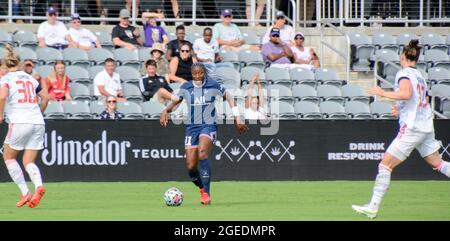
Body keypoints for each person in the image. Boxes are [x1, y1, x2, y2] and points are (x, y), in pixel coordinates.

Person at [352, 40, 450, 219]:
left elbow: (406, 94)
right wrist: (400, 108)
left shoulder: (403, 73)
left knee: (384, 165)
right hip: (426, 126)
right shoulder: (420, 75)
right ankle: (372, 206)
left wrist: (383, 93)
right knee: (439, 164)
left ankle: (373, 207)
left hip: (412, 128)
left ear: (403, 57)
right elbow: (423, 100)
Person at [160, 63, 248, 206]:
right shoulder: (186, 87)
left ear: (204, 73)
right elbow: (176, 101)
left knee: (202, 153)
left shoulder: (213, 85)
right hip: (191, 128)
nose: (197, 76)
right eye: (195, 74)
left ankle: (206, 193)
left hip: (208, 125)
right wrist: (166, 111)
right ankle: (201, 189)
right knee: (190, 167)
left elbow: (230, 97)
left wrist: (237, 117)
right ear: (192, 74)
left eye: (200, 73)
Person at [0, 45, 49, 208]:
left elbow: (2, 96)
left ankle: (24, 192)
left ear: (6, 66)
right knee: (28, 161)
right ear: (20, 64)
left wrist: (0, 115)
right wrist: (39, 113)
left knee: (9, 157)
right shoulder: (31, 78)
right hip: (38, 122)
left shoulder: (6, 79)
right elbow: (45, 98)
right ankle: (39, 186)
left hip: (20, 121)